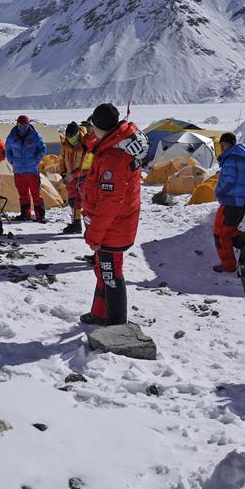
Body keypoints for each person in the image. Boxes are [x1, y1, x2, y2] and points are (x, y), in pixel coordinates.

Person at [79, 104, 148, 325]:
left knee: (111, 276)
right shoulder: (115, 146)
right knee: (104, 272)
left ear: (101, 127)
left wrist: (94, 236)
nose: (91, 130)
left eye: (93, 126)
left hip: (112, 230)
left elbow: (110, 203)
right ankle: (100, 314)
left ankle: (117, 326)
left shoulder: (113, 158)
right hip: (113, 227)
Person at [213, 132, 245, 272]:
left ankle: (229, 265)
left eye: (221, 145)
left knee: (221, 234)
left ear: (225, 144)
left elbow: (229, 180)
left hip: (230, 201)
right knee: (228, 232)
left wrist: (218, 192)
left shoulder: (231, 158)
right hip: (240, 201)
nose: (221, 148)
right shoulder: (244, 157)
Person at [6, 115, 48, 223]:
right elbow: (7, 150)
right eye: (20, 124)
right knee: (22, 194)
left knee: (36, 194)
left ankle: (40, 216)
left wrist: (36, 159)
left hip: (32, 171)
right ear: (17, 124)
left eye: (24, 124)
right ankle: (25, 214)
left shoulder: (34, 135)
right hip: (19, 171)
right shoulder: (11, 137)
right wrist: (12, 161)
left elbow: (43, 148)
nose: (22, 126)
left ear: (27, 124)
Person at [58, 121, 90, 235]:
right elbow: (61, 160)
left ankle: (90, 228)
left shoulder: (86, 145)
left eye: (72, 136)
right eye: (68, 136)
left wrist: (74, 175)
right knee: (74, 203)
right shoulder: (65, 146)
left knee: (87, 204)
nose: (70, 138)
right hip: (70, 179)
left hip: (83, 179)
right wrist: (63, 173)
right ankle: (76, 225)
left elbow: (89, 166)